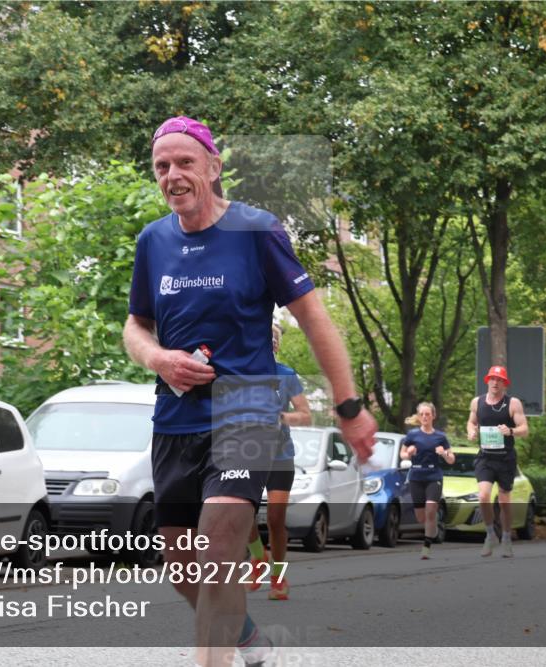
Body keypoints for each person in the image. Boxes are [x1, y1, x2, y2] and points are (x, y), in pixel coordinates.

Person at [123, 116, 377, 667]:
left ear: (213, 167)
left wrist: (349, 406)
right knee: (182, 569)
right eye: (161, 166)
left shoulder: (256, 230)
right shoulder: (153, 241)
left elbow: (313, 319)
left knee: (216, 555)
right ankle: (246, 637)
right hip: (175, 420)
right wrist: (157, 357)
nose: (172, 175)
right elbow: (135, 325)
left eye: (185, 162)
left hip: (247, 410)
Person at [246, 322, 311, 600]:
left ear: (279, 344)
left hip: (281, 455)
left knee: (275, 518)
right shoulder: (244, 373)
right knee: (242, 512)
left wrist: (282, 418)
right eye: (266, 335)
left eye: (275, 338)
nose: (271, 341)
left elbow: (305, 414)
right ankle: (258, 557)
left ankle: (278, 577)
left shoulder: (287, 375)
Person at [466, 365, 529, 558]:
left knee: (504, 501)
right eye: (492, 379)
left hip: (505, 458)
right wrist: (471, 431)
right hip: (485, 456)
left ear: (504, 383)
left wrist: (510, 431)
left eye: (499, 379)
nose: (495, 382)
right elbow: (471, 421)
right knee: (483, 496)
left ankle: (507, 537)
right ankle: (490, 534)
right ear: (487, 381)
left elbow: (524, 429)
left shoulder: (513, 403)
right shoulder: (477, 402)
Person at [400, 402, 454, 559]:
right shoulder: (412, 435)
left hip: (434, 476)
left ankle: (426, 546)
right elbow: (402, 454)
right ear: (418, 416)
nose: (425, 417)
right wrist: (408, 453)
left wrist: (443, 453)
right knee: (421, 517)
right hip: (416, 476)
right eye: (422, 414)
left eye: (428, 414)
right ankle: (432, 522)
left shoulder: (440, 437)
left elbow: (451, 459)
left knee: (430, 509)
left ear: (433, 416)